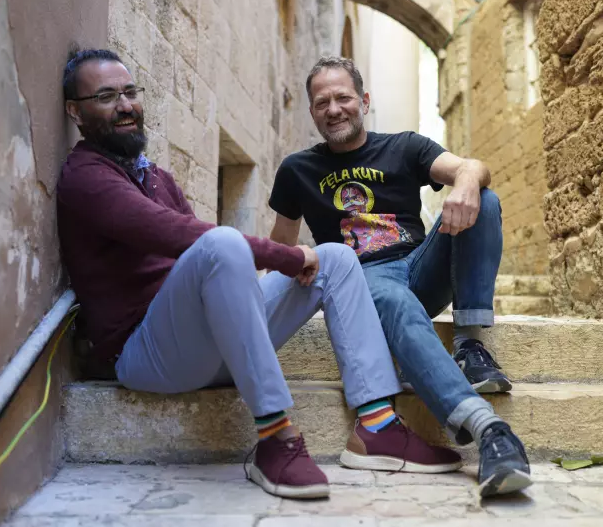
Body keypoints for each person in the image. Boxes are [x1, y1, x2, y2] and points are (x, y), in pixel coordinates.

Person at [56, 49, 463, 501]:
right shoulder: (85, 177)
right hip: (147, 355)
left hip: (210, 348)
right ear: (75, 111)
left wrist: (289, 264)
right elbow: (175, 235)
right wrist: (286, 257)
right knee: (220, 243)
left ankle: (378, 428)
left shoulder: (156, 177)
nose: (125, 105)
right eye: (106, 96)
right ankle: (276, 438)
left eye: (130, 92)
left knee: (336, 257)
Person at [268, 56, 532, 497]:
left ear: (364, 101)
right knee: (392, 299)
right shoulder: (298, 170)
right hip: (364, 280)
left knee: (483, 199)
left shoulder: (405, 146)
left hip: (420, 267)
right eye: (322, 102)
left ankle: (469, 344)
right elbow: (279, 250)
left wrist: (466, 184)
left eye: (343, 98)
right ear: (312, 111)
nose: (334, 109)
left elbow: (471, 167)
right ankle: (489, 430)